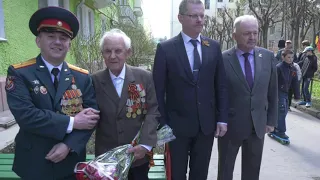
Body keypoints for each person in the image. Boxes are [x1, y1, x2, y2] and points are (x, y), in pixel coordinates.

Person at [5, 7, 100, 180]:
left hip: (71, 161)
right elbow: (26, 116)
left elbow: (91, 118)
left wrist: (68, 145)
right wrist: (73, 122)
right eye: (50, 36)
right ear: (38, 41)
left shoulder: (82, 77)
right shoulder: (20, 73)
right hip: (34, 162)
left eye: (63, 38)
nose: (57, 42)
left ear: (69, 45)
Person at [153, 0, 228, 179]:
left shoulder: (213, 47)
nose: (199, 20)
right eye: (194, 15)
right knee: (176, 174)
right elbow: (157, 89)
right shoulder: (166, 49)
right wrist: (163, 124)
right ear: (180, 18)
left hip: (206, 127)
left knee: (200, 174)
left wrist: (222, 118)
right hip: (175, 128)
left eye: (202, 16)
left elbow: (221, 86)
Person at [91, 28, 159, 180]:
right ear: (102, 54)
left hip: (138, 156)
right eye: (107, 51)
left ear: (128, 53)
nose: (113, 56)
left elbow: (153, 111)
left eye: (118, 51)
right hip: (106, 159)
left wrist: (146, 145)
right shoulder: (94, 81)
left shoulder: (144, 77)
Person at [217, 15, 278, 180]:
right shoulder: (222, 59)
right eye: (246, 33)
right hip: (230, 126)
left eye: (255, 33)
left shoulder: (267, 57)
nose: (252, 37)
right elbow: (217, 93)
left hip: (257, 125)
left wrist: (271, 120)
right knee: (225, 171)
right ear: (234, 36)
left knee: (252, 172)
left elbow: (273, 91)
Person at [269, 49, 300, 140]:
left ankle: (274, 127)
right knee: (282, 111)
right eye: (288, 57)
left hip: (286, 93)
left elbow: (295, 82)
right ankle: (280, 131)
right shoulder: (278, 67)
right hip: (278, 92)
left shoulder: (292, 68)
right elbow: (273, 82)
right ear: (283, 57)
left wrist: (297, 95)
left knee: (284, 111)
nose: (291, 59)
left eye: (292, 57)